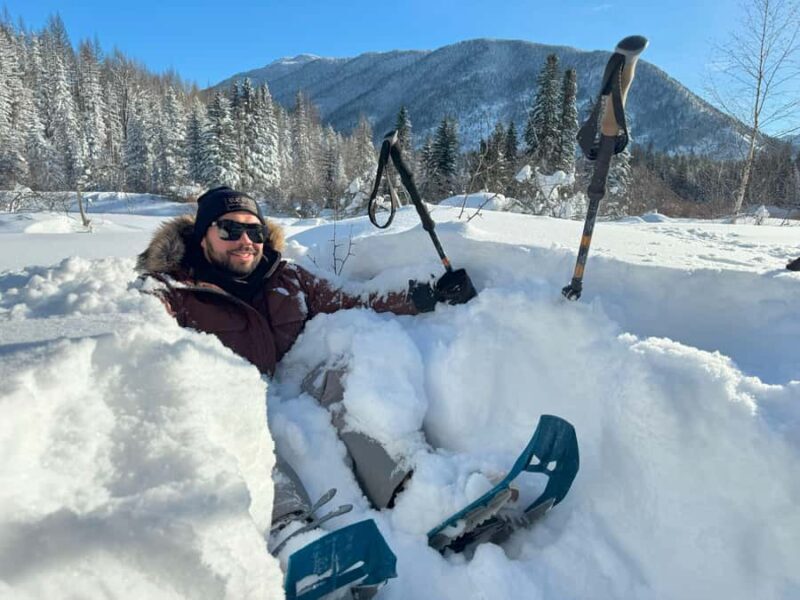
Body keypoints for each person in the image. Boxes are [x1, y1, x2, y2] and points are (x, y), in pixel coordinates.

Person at [136, 186, 476, 551]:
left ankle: (416, 493)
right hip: (232, 410)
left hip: (294, 394)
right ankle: (293, 538)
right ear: (202, 235)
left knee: (345, 372)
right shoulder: (170, 292)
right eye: (229, 230)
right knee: (231, 424)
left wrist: (427, 294)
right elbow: (139, 343)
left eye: (255, 231)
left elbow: (352, 299)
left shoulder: (287, 279)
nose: (245, 240)